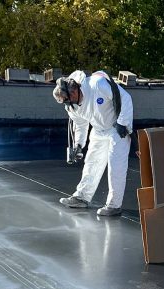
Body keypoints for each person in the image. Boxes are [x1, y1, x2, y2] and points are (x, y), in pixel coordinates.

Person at [53, 70, 134, 216]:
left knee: (116, 167)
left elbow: (125, 98)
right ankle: (81, 198)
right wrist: (78, 145)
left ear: (73, 91)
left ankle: (114, 205)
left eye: (67, 99)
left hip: (116, 128)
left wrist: (122, 123)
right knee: (91, 164)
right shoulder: (72, 106)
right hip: (98, 130)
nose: (67, 103)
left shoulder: (97, 84)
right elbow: (81, 125)